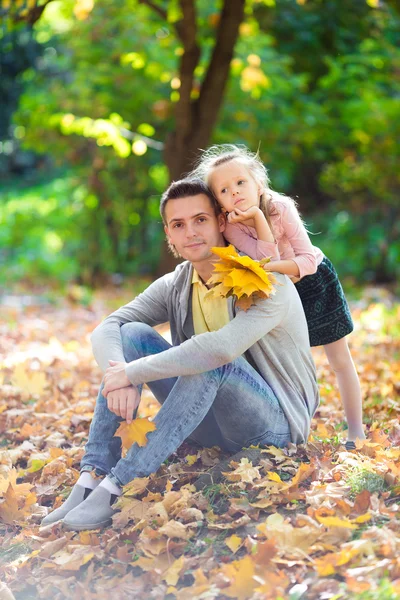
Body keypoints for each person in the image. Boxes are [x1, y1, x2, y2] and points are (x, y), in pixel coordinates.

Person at [41, 178, 319, 531]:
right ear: (169, 235)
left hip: (274, 426)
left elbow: (218, 350)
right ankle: (91, 476)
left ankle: (119, 485)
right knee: (133, 334)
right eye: (179, 225)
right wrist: (120, 377)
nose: (191, 232)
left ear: (221, 222)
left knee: (211, 359)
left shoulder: (263, 279)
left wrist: (133, 373)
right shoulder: (178, 283)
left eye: (200, 219)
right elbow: (109, 327)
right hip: (207, 423)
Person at [191, 144, 365, 449]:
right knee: (283, 364)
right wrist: (257, 223)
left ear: (258, 182)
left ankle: (356, 433)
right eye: (224, 190)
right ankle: (290, 428)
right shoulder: (230, 227)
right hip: (277, 293)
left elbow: (307, 261)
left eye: (241, 183)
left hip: (315, 283)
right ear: (216, 200)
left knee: (339, 360)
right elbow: (266, 255)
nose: (235, 192)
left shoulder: (280, 208)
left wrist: (263, 231)